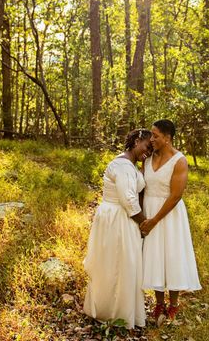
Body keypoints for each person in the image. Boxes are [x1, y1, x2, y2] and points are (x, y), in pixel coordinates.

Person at [83, 128, 152, 329]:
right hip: (117, 218)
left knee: (124, 265)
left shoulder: (132, 164)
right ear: (137, 140)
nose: (148, 152)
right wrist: (144, 222)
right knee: (115, 264)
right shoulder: (122, 166)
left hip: (121, 217)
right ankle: (109, 312)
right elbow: (128, 199)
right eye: (147, 147)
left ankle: (122, 310)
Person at [140, 119, 201, 322]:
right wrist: (142, 216)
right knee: (155, 255)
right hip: (149, 210)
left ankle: (173, 305)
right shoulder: (147, 159)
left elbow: (176, 195)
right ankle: (159, 304)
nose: (152, 139)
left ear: (167, 138)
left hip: (169, 214)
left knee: (172, 255)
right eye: (151, 135)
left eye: (155, 135)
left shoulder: (179, 161)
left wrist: (155, 219)